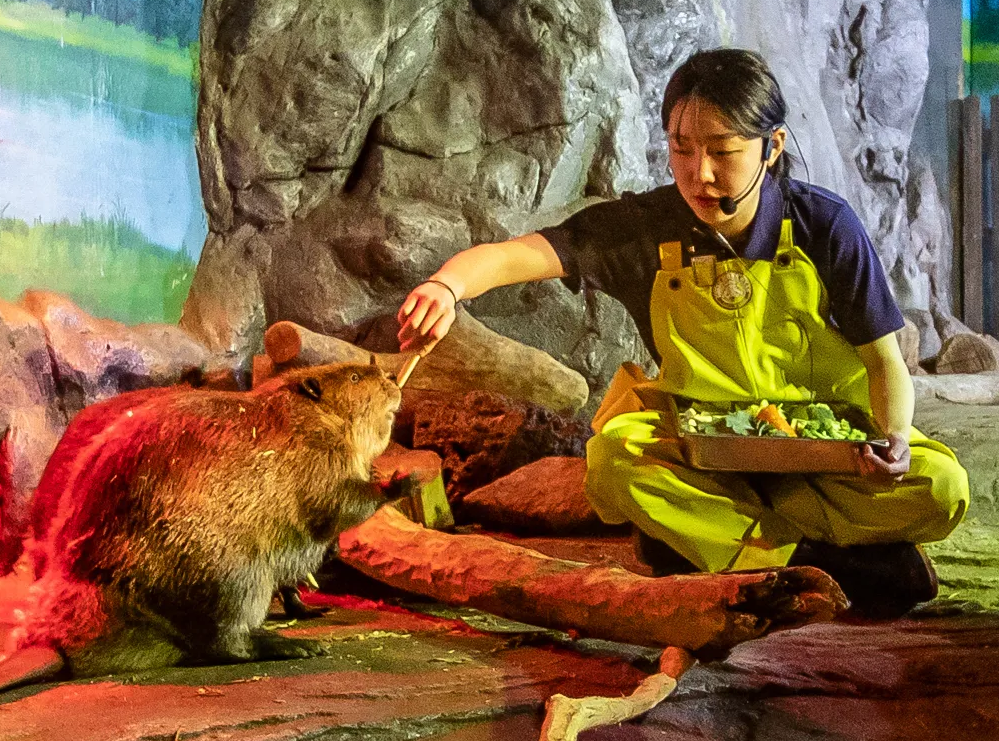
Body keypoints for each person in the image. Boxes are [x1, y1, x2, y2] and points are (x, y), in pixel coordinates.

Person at [393, 49, 967, 617]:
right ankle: (824, 558)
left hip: (822, 452)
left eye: (724, 151)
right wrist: (448, 287)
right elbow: (524, 254)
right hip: (704, 452)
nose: (701, 173)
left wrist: (891, 439)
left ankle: (718, 540)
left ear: (773, 147)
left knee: (941, 486)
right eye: (681, 149)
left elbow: (884, 359)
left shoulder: (825, 225)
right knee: (614, 459)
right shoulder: (645, 227)